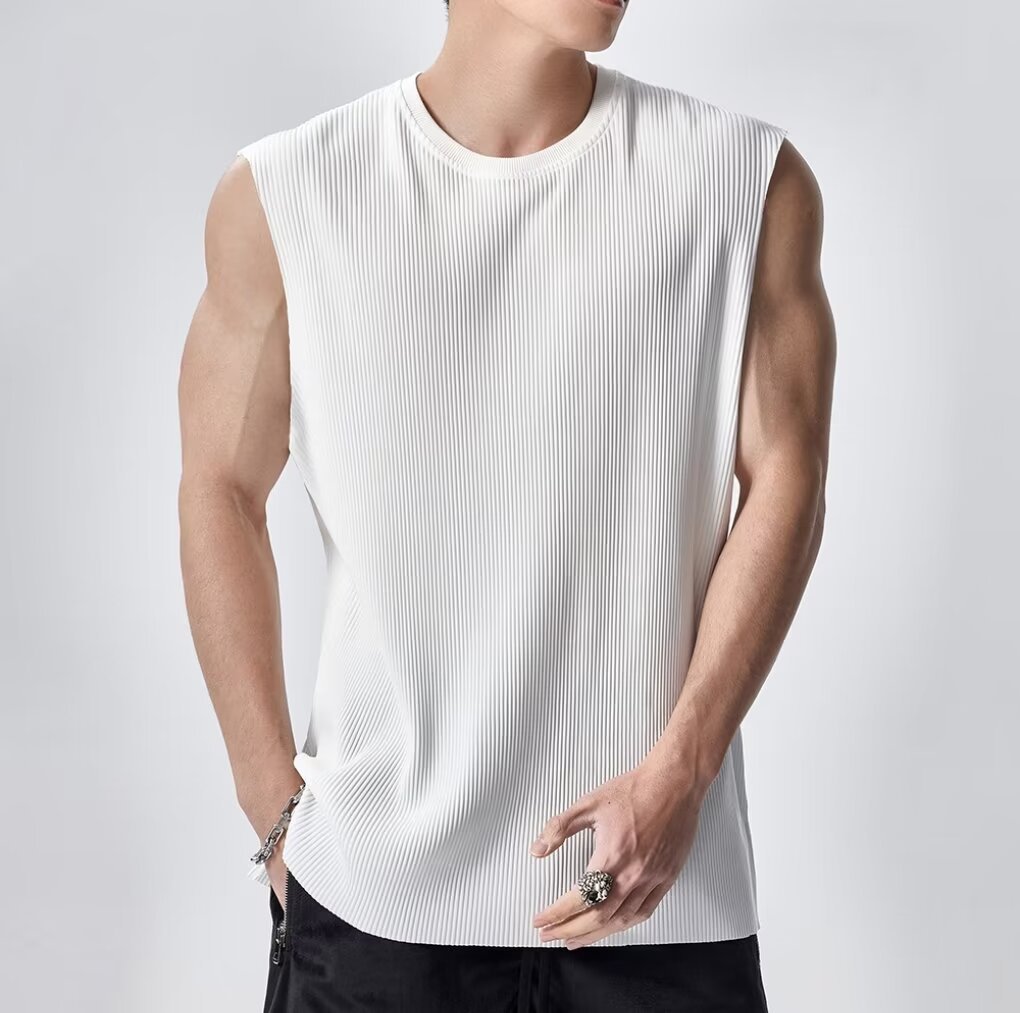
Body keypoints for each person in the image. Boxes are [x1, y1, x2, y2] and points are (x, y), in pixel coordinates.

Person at [177, 0, 835, 1009]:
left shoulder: (745, 181)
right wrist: (273, 808)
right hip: (370, 918)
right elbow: (221, 486)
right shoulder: (287, 191)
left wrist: (683, 770)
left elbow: (788, 475)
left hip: (663, 913)